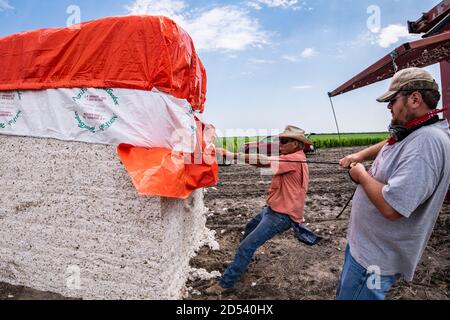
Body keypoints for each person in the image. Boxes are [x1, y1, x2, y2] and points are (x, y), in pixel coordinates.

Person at [337, 67, 450, 300]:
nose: (389, 107)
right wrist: (359, 156)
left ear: (415, 99)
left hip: (375, 261)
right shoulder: (418, 130)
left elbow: (392, 208)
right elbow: (390, 142)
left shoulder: (427, 143)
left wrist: (360, 174)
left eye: (392, 100)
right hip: (366, 249)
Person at [205, 125, 312, 295]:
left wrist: (232, 155)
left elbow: (263, 160)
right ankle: (240, 263)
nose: (280, 144)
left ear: (296, 144)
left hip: (281, 215)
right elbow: (263, 166)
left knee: (245, 247)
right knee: (249, 228)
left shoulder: (292, 160)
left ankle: (225, 284)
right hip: (273, 209)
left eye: (284, 141)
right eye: (280, 140)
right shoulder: (294, 158)